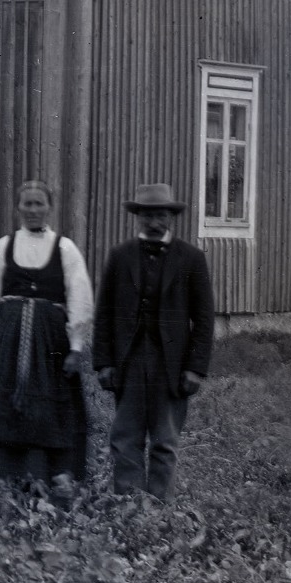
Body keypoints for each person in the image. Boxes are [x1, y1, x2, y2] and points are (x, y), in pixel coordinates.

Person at [0, 180, 94, 483]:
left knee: (50, 403)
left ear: (50, 207)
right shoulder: (3, 247)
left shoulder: (65, 249)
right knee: (2, 401)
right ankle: (1, 470)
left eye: (39, 203)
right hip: (9, 342)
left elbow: (80, 297)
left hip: (51, 344)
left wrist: (75, 346)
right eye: (27, 204)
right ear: (18, 207)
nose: (33, 210)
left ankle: (49, 473)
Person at [92, 183, 215, 501]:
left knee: (165, 439)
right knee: (125, 437)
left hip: (171, 365)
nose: (154, 222)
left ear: (171, 217)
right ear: (138, 217)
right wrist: (104, 362)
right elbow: (104, 312)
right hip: (129, 361)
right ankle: (131, 506)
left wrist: (195, 368)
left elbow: (204, 319)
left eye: (160, 215)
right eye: (147, 215)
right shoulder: (120, 256)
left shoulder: (191, 258)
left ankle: (160, 510)